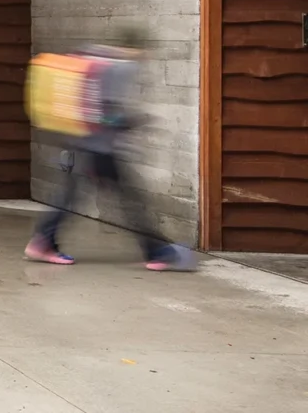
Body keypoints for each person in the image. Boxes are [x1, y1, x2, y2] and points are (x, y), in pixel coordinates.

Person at [26, 35, 195, 271]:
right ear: (138, 49)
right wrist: (131, 121)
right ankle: (160, 252)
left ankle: (43, 242)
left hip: (75, 140)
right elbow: (105, 113)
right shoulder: (121, 68)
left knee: (71, 196)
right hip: (98, 147)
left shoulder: (91, 54)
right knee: (129, 200)